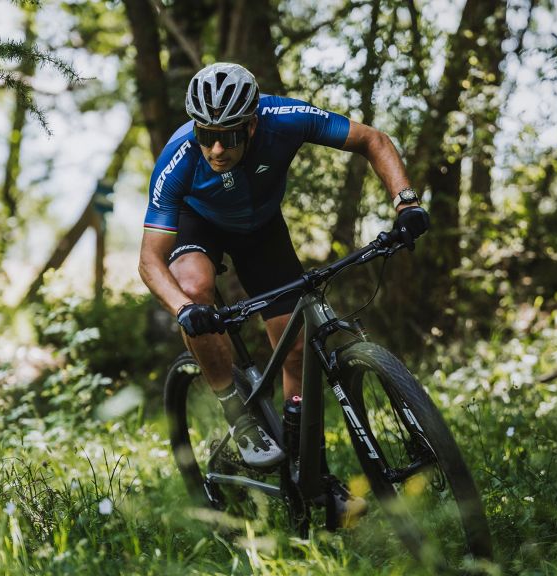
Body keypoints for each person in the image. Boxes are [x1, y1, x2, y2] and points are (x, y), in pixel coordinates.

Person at [138, 63, 430, 468]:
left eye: (229, 136)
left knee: (295, 348)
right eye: (206, 135)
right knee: (192, 287)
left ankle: (305, 466)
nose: (216, 150)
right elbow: (149, 261)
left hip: (260, 228)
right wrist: (184, 309)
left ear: (252, 125)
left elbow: (372, 139)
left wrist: (406, 203)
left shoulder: (285, 119)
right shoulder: (178, 158)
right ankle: (236, 413)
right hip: (199, 223)